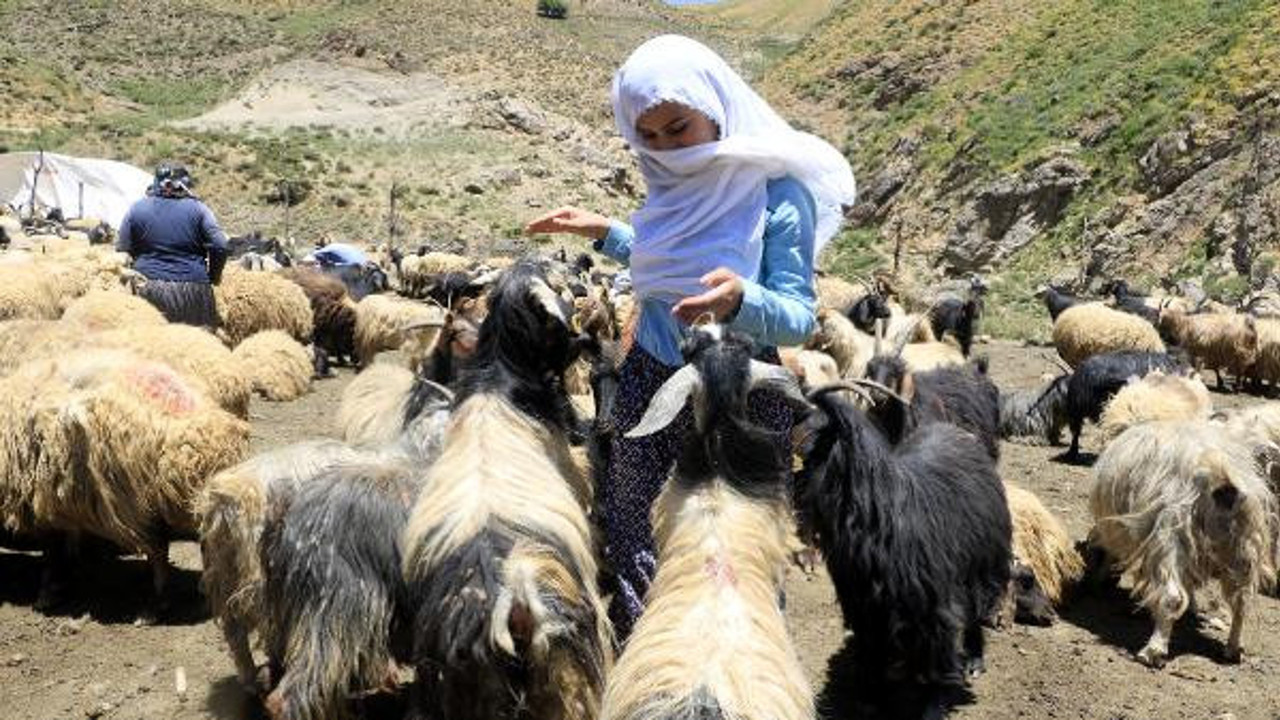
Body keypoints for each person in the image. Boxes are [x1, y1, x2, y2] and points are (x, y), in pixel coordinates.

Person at [525, 34, 856, 639]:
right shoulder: (671, 186)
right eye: (646, 137)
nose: (664, 149)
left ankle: (743, 667)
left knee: (742, 537)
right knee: (632, 524)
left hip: (744, 389)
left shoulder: (777, 196)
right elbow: (667, 270)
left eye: (678, 129)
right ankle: (651, 655)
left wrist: (743, 299)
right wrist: (609, 232)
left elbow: (798, 318)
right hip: (650, 380)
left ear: (716, 109)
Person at [117, 163, 228, 327]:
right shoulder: (200, 210)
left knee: (147, 345)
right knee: (197, 345)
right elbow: (220, 245)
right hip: (194, 290)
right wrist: (213, 276)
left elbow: (122, 250)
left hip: (148, 287)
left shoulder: (136, 209)